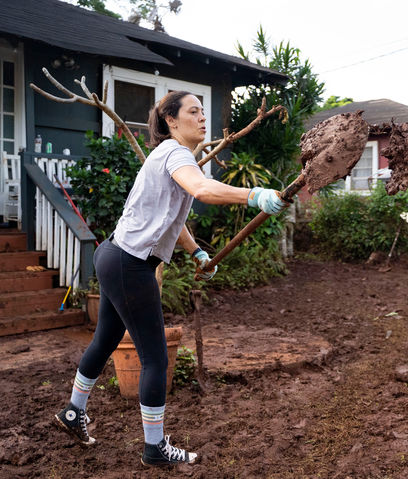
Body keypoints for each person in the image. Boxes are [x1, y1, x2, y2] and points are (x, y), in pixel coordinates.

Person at [53, 91, 287, 466]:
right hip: (130, 264)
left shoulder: (170, 156)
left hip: (114, 256)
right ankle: (154, 447)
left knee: (106, 339)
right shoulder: (176, 154)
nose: (203, 118)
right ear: (171, 120)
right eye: (194, 111)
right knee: (156, 358)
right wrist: (253, 195)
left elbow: (172, 218)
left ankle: (73, 411)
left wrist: (196, 252)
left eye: (203, 111)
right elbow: (203, 190)